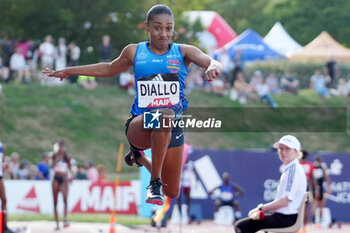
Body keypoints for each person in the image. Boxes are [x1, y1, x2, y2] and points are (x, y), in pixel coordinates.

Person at [42, 4, 223, 206]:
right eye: (157, 27)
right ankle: (154, 183)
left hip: (171, 127)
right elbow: (109, 68)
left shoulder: (184, 52)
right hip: (140, 124)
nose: (163, 33)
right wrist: (70, 70)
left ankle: (140, 159)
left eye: (168, 28)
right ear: (147, 27)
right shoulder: (134, 51)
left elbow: (211, 61)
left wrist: (214, 67)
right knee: (165, 115)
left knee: (172, 191)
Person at [235, 135, 307, 233]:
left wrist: (261, 208)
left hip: (286, 219)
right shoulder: (291, 168)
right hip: (283, 217)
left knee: (242, 227)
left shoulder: (293, 169)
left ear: (296, 152)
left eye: (287, 149)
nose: (283, 152)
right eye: (281, 149)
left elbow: (285, 201)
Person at [51, 139, 71, 230]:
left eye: (62, 146)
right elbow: (51, 167)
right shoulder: (54, 156)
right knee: (55, 202)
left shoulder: (66, 157)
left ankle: (65, 219)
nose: (61, 148)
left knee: (65, 199)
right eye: (59, 146)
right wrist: (56, 160)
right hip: (56, 178)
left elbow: (70, 168)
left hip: (63, 178)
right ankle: (57, 223)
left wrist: (69, 177)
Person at [311, 155, 331, 227]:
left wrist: (315, 188)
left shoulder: (313, 167)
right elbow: (327, 178)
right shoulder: (322, 167)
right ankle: (318, 222)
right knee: (320, 206)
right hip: (320, 189)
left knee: (315, 205)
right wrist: (329, 188)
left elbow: (312, 179)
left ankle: (315, 222)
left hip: (315, 189)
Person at [299, 150, 314, 233]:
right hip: (306, 188)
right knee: (305, 209)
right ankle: (304, 228)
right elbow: (312, 179)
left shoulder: (297, 164)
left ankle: (298, 228)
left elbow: (311, 178)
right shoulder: (310, 165)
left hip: (299, 188)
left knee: (297, 209)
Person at [0, 141, 13, 233]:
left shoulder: (1, 146)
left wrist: (4, 165)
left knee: (4, 200)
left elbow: (2, 160)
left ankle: (4, 226)